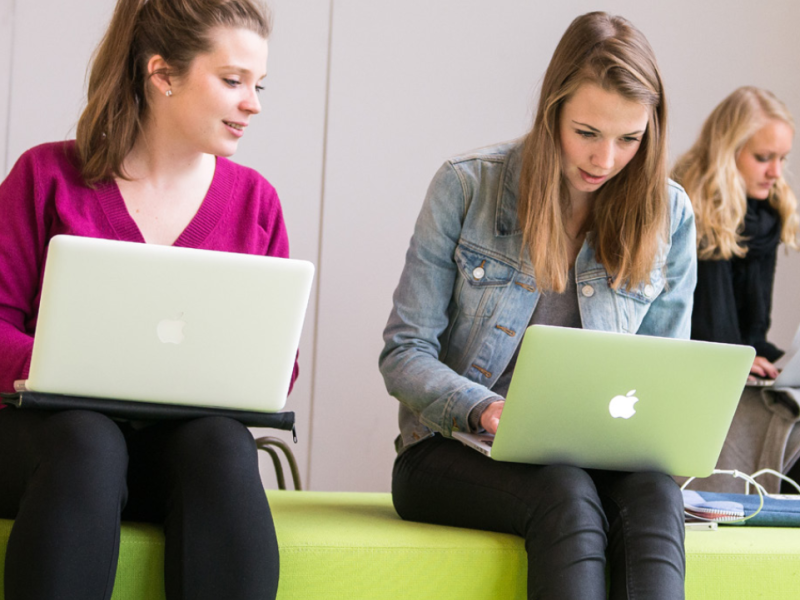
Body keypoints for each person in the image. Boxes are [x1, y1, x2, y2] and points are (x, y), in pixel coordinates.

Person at [380, 11, 696, 600]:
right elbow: (404, 353)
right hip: (449, 449)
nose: (605, 160)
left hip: (595, 459)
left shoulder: (669, 214)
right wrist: (486, 411)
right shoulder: (466, 186)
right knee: (565, 491)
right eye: (587, 133)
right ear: (552, 110)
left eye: (630, 139)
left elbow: (665, 377)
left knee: (656, 495)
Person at [0, 1, 289, 599]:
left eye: (258, 85)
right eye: (233, 81)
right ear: (162, 74)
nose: (253, 103)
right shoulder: (45, 175)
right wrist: (67, 368)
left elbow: (273, 363)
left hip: (174, 453)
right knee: (89, 439)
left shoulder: (255, 203)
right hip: (50, 449)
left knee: (222, 445)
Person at [672, 86, 798, 381]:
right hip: (689, 367)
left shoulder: (767, 215)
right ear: (727, 150)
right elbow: (691, 335)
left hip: (736, 359)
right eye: (764, 157)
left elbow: (753, 335)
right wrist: (734, 360)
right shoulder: (686, 208)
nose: (776, 173)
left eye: (783, 158)